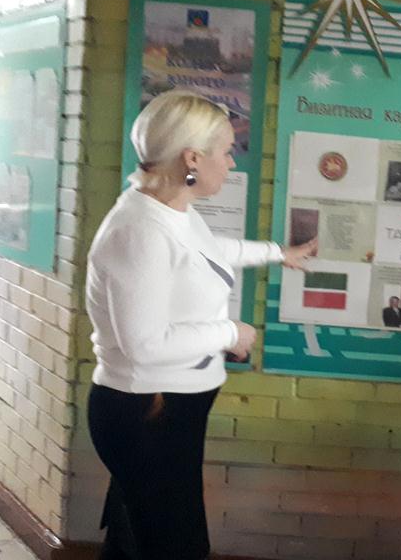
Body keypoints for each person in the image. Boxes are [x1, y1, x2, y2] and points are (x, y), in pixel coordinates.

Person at [85, 90, 316, 560]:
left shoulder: (168, 210)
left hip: (167, 412)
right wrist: (232, 333)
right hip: (146, 415)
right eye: (227, 151)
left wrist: (278, 253)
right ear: (192, 157)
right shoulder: (141, 231)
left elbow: (209, 252)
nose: (231, 163)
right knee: (177, 547)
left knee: (136, 543)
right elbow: (144, 345)